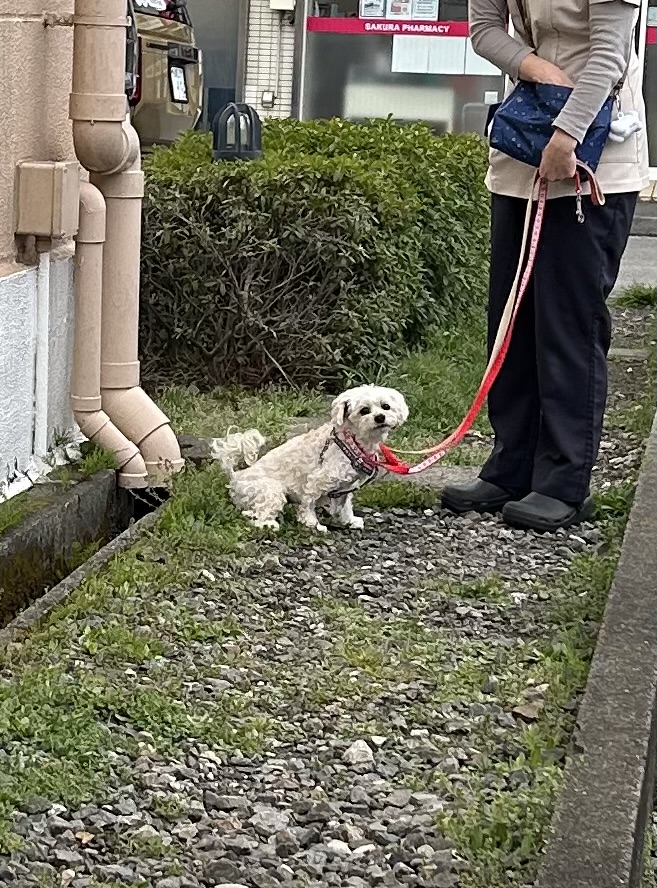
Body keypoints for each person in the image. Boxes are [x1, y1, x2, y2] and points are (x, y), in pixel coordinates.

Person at [441, 0, 649, 533]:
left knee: (567, 327)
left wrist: (567, 132)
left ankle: (562, 483)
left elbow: (610, 54)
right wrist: (537, 70)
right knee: (512, 319)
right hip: (521, 151)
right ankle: (511, 466)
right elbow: (484, 29)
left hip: (594, 155)